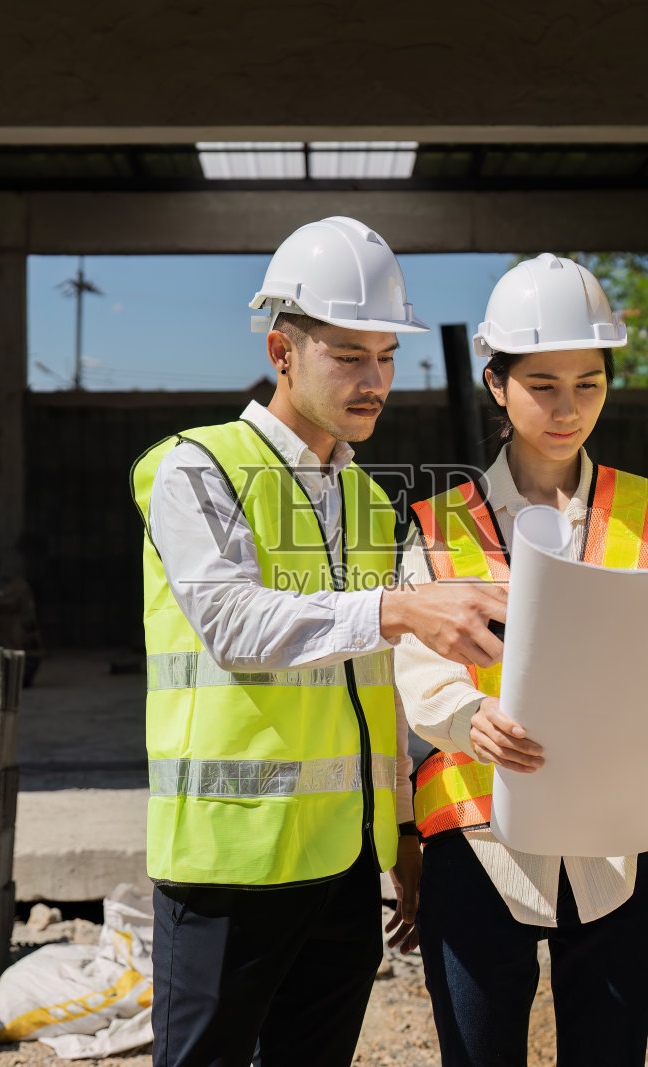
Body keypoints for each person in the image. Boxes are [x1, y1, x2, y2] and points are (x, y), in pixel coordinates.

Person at [131, 216, 507, 1067]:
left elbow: (378, 687)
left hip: (345, 863)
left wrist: (405, 832)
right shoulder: (197, 470)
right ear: (282, 350)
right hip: (229, 862)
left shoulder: (372, 502)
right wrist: (402, 608)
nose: (375, 380)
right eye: (348, 355)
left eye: (386, 356)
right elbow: (234, 626)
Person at [397, 253, 648, 1066]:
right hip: (476, 832)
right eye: (543, 384)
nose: (568, 408)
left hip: (615, 838)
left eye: (588, 383)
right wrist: (469, 716)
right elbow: (418, 672)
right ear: (497, 383)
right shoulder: (437, 523)